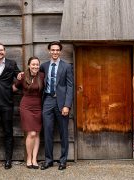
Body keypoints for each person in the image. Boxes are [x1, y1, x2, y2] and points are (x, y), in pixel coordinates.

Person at [40, 41, 73, 171]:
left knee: (63, 132)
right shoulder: (44, 66)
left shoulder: (66, 67)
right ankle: (48, 160)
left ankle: (63, 160)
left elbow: (70, 86)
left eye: (57, 50)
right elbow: (34, 76)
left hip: (61, 102)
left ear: (60, 51)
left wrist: (67, 105)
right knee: (47, 132)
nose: (55, 52)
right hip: (47, 101)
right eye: (52, 50)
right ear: (49, 51)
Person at [13, 57, 44, 169]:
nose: (35, 66)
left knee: (37, 133)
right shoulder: (23, 76)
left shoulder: (42, 76)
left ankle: (35, 159)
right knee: (31, 133)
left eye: (37, 64)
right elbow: (14, 88)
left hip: (39, 106)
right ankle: (29, 158)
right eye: (33, 64)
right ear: (29, 65)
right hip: (26, 106)